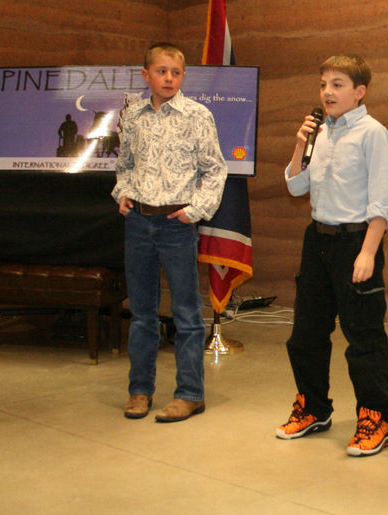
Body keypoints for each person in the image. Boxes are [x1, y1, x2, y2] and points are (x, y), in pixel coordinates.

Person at [276, 54, 388, 457]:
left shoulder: (372, 133)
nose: (328, 91)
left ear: (359, 92)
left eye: (338, 84)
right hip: (319, 241)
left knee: (363, 337)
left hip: (356, 242)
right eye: (323, 83)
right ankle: (313, 407)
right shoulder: (318, 133)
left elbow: (382, 203)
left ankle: (376, 417)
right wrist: (299, 145)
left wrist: (367, 253)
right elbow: (296, 188)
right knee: (306, 333)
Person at [112, 42, 227, 423]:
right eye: (161, 72)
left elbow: (215, 169)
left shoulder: (198, 115)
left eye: (175, 73)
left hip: (177, 225)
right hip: (139, 223)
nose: (168, 79)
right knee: (143, 313)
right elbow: (124, 163)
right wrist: (122, 191)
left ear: (183, 76)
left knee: (187, 313)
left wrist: (195, 210)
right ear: (146, 75)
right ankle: (139, 391)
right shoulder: (133, 116)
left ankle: (190, 394)